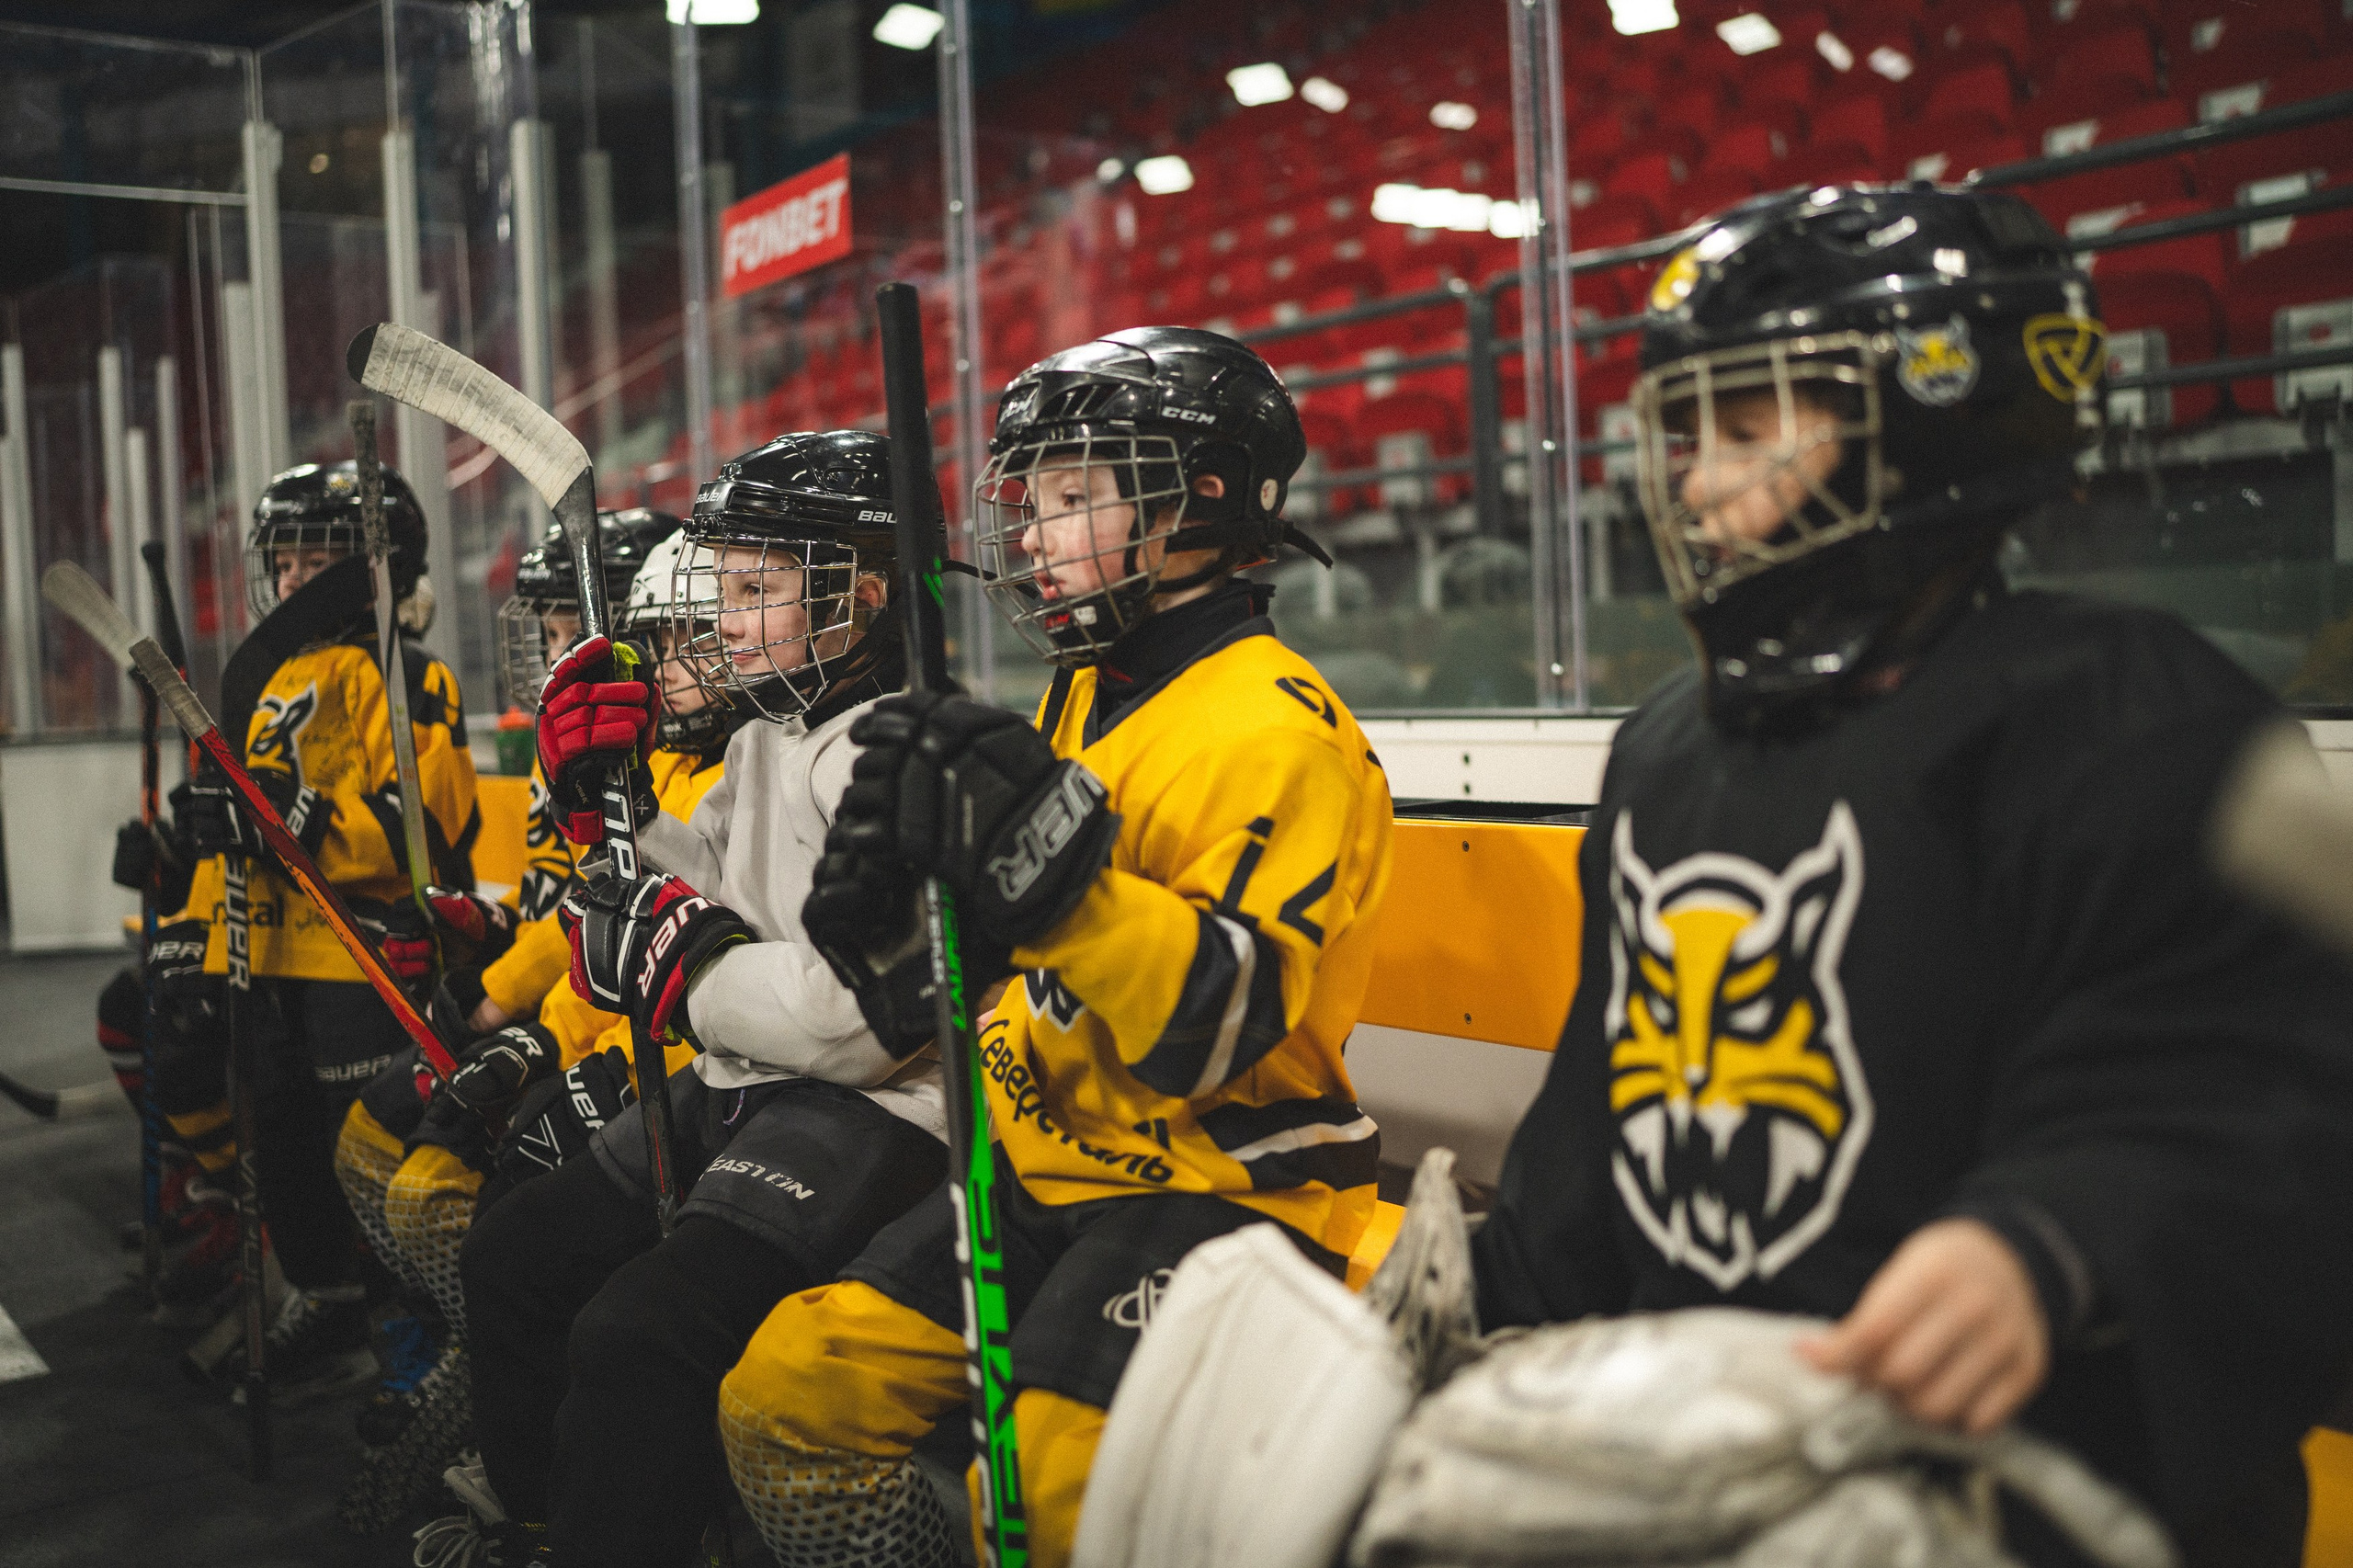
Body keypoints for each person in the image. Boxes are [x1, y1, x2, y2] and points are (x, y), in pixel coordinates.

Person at [1467, 184, 2353, 1566]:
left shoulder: (2137, 718)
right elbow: (1609, 1112)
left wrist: (2050, 1240)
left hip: (2049, 1490)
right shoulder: (1666, 748)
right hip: (1727, 1472)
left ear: (1929, 422)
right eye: (1691, 436)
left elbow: (2254, 1083)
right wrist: (1486, 1308)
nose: (1694, 484)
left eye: (1752, 431)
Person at [714, 326, 1393, 1568]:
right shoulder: (1093, 684)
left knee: (1050, 1500)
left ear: (1203, 499)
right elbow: (1017, 941)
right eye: (1030, 502)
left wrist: (1039, 875)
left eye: (1073, 498)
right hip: (1041, 1159)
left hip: (1220, 1190)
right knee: (785, 1391)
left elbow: (1218, 1025)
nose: (1030, 535)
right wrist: (924, 928)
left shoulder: (1277, 730)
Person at [433, 430, 945, 1567]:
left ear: (859, 599)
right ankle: (534, 1521)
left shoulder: (901, 749)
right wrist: (603, 810)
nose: (727, 621)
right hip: (744, 1079)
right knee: (513, 1251)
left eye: (759, 592)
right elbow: (704, 888)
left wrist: (689, 965)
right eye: (727, 588)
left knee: (640, 1335)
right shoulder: (765, 739)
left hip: (876, 1110)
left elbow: (856, 1025)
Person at [175, 460, 480, 1402]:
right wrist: (195, 906)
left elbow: (431, 827)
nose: (295, 578)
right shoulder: (262, 678)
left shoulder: (408, 673)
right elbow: (239, 824)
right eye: (285, 560)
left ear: (378, 564)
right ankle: (325, 1295)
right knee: (285, 1141)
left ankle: (413, 1325)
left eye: (317, 559)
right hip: (267, 945)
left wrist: (304, 818)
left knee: (368, 1149)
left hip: (362, 953)